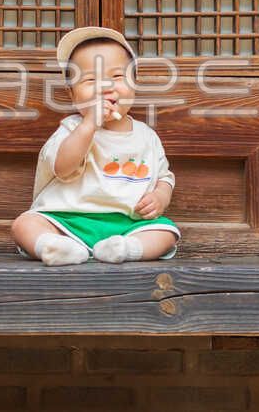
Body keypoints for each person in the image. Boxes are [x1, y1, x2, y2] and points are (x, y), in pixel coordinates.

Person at [10, 26, 180, 266]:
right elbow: (63, 168)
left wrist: (160, 197)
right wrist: (89, 124)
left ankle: (126, 249)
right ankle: (56, 246)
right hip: (66, 220)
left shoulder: (146, 136)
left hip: (126, 224)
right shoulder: (71, 128)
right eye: (91, 80)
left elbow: (164, 176)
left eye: (117, 77)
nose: (105, 86)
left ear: (134, 83)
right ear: (72, 95)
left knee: (167, 233)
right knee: (24, 224)